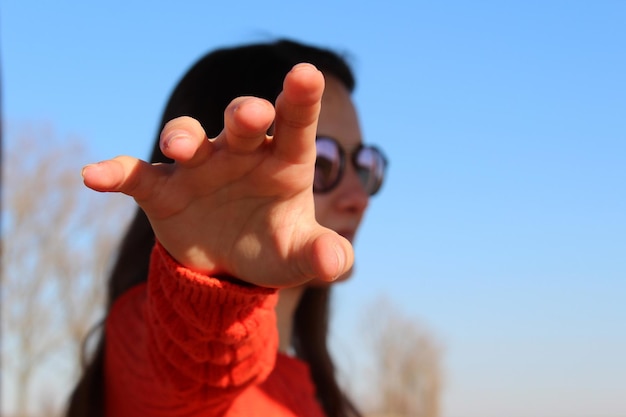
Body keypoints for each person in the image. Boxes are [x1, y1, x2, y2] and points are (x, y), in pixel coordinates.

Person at [66, 39, 387, 417]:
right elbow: (196, 361)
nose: (358, 197)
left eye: (365, 164)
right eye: (321, 161)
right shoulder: (148, 338)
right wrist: (219, 275)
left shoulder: (304, 382)